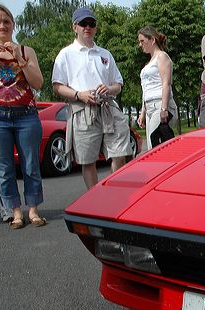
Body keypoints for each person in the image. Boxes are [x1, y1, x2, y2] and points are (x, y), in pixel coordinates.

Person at [51, 6, 131, 189]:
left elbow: (118, 84)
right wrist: (79, 95)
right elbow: (57, 85)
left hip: (108, 108)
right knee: (87, 160)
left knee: (119, 154)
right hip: (82, 110)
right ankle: (96, 199)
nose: (87, 27)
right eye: (83, 23)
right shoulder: (65, 54)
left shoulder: (105, 54)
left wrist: (109, 88)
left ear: (95, 27)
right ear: (75, 27)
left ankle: (116, 194)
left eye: (91, 23)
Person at [0, 3, 46, 229]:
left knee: (31, 165)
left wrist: (20, 58)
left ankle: (34, 210)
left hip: (26, 115)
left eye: (6, 21)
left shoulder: (27, 50)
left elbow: (38, 83)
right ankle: (15, 212)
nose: (2, 25)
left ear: (13, 24)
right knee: (3, 167)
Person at [136, 26, 177, 152]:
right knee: (151, 146)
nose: (140, 44)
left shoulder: (162, 57)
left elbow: (166, 83)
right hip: (149, 107)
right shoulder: (149, 63)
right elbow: (146, 89)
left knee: (156, 146)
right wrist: (143, 112)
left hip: (160, 104)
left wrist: (164, 108)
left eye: (142, 41)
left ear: (152, 40)